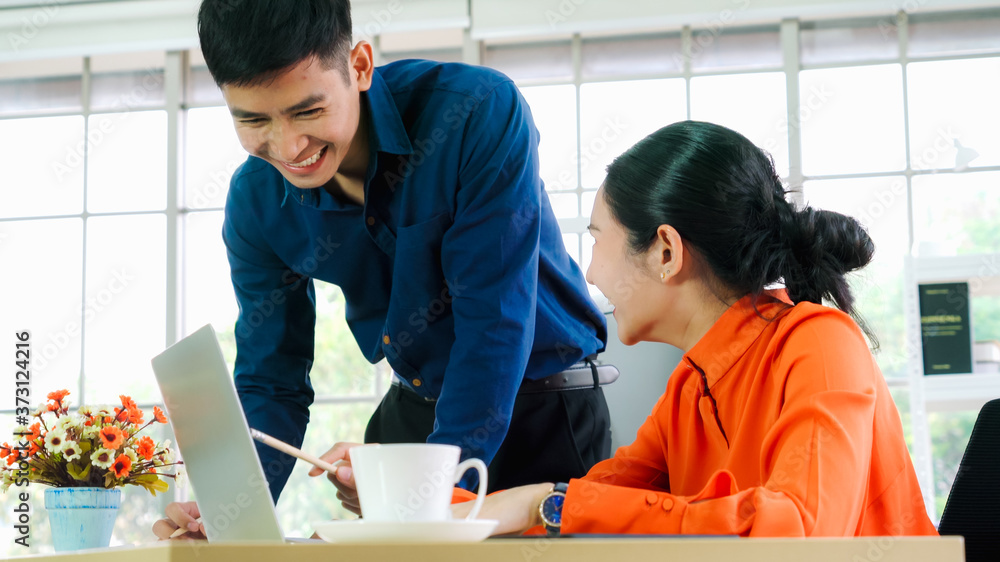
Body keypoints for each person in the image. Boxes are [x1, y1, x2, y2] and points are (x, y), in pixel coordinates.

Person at [152, 0, 612, 538]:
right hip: (413, 414)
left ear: (361, 66)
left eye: (307, 111)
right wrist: (229, 513)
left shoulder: (477, 111)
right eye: (253, 119)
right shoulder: (255, 201)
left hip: (545, 411)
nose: (288, 147)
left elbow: (493, 321)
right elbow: (271, 376)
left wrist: (433, 489)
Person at [445, 120, 939, 536]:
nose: (590, 273)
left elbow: (798, 529)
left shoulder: (821, 343)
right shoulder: (690, 386)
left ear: (666, 252)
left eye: (598, 241)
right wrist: (406, 494)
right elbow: (588, 505)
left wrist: (549, 504)